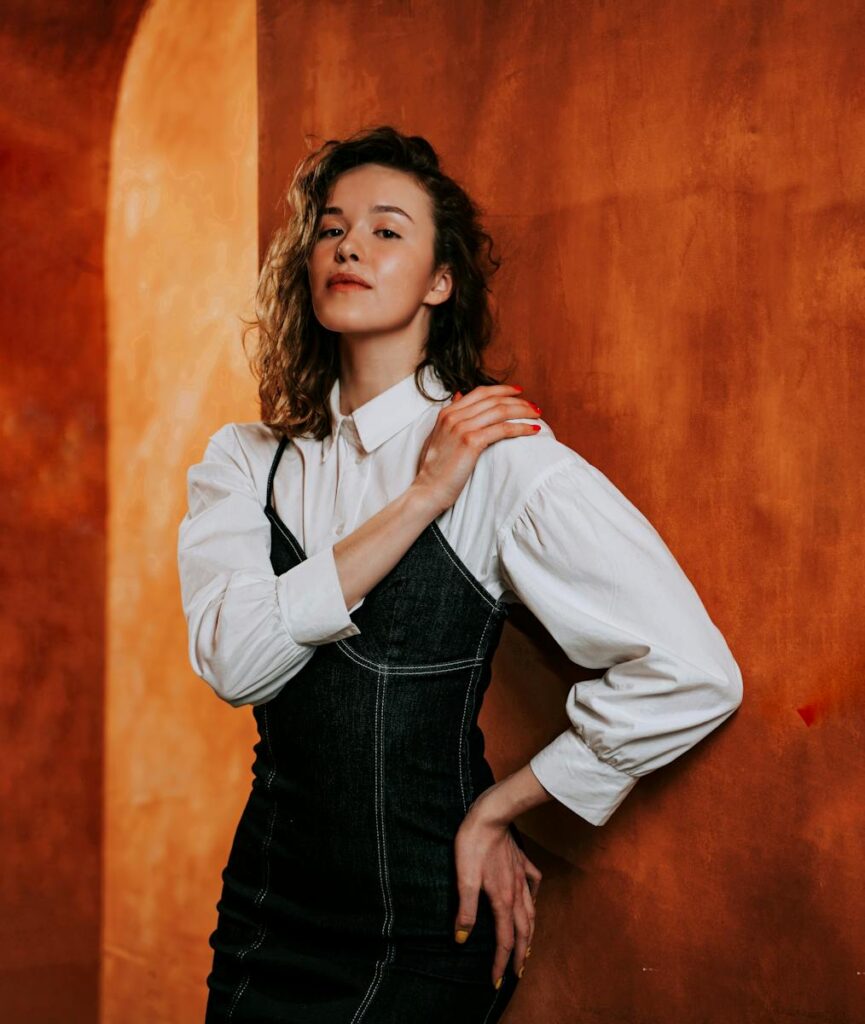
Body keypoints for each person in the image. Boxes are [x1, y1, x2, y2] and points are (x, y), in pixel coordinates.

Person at [177, 125, 743, 1024]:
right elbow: (234, 663)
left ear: (440, 282)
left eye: (387, 229)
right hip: (264, 908)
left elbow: (692, 671)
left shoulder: (503, 458)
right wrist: (417, 500)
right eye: (330, 228)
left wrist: (497, 811)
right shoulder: (249, 462)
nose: (350, 245)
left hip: (426, 920)